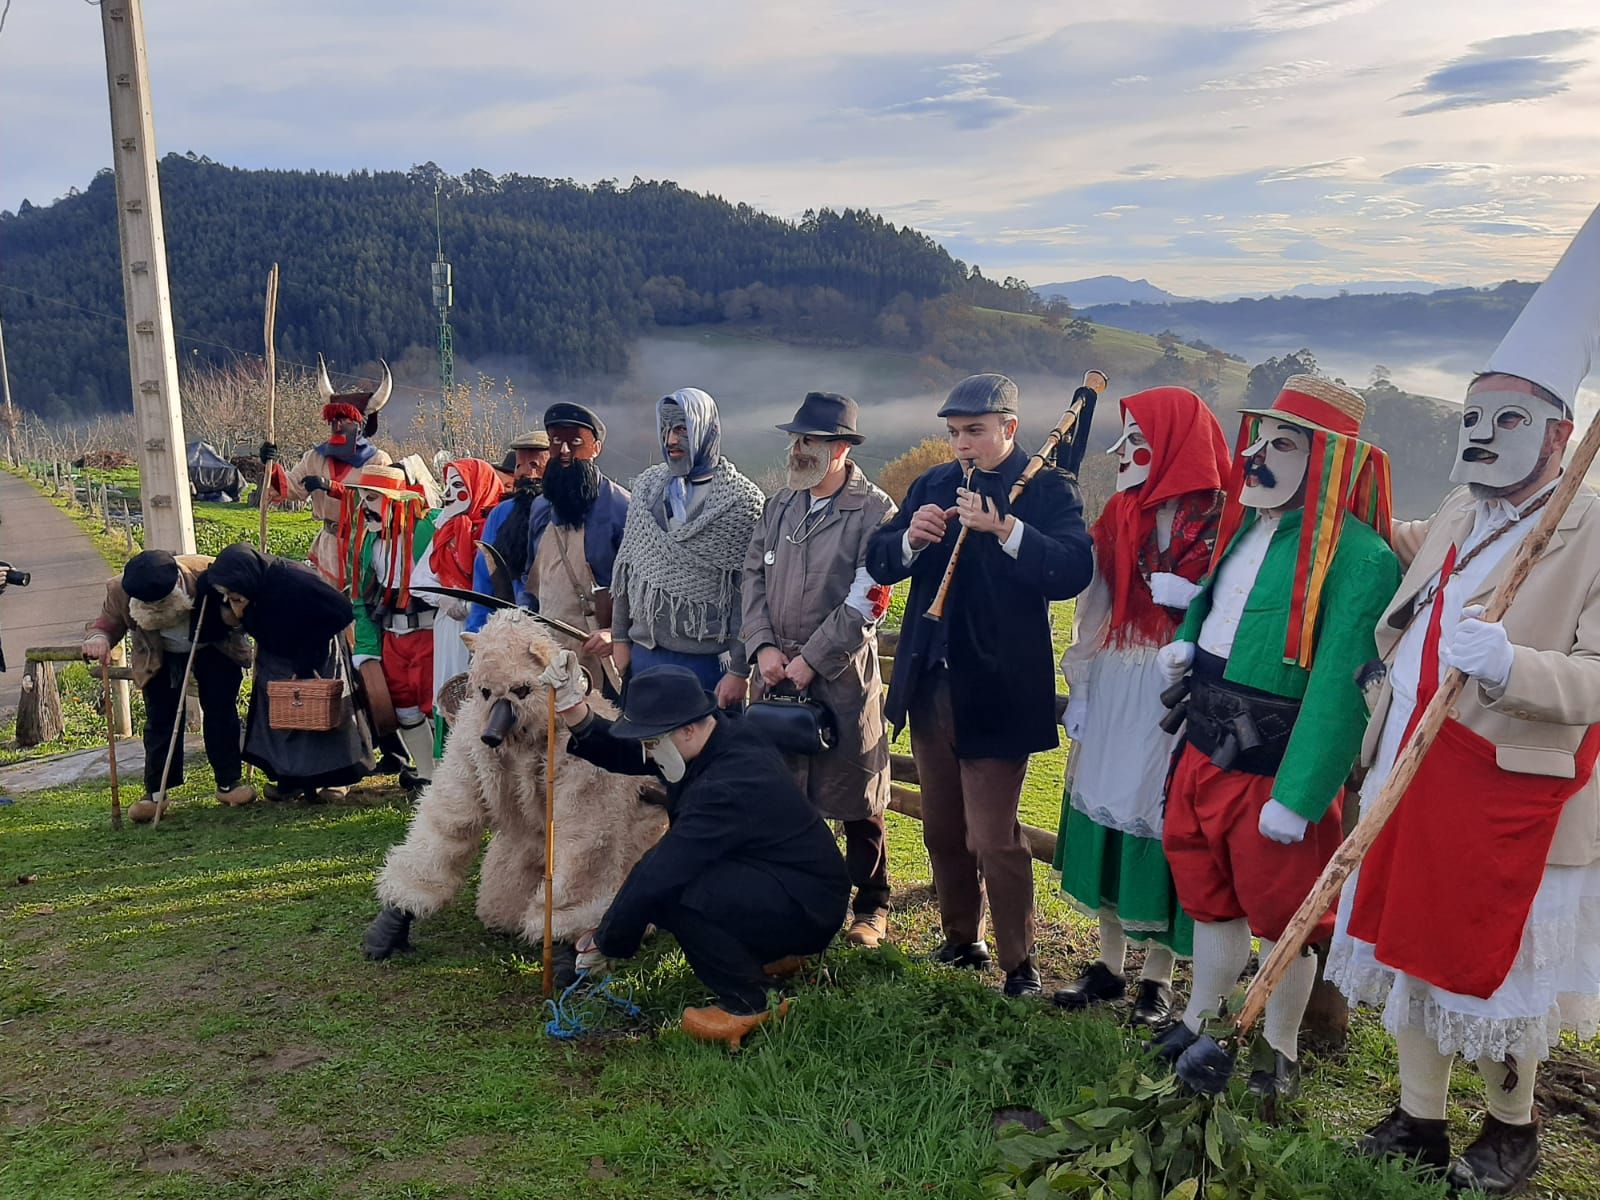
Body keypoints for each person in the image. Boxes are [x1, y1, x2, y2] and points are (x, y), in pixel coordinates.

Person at [1330, 203, 1600, 1196]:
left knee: (1497, 972)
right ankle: (1416, 1120)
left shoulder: (1591, 531)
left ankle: (1510, 1131)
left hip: (1511, 794)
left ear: (1561, 434)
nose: (1482, 435)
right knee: (1406, 950)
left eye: (1509, 420)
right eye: (1472, 418)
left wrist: (1509, 666)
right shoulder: (1459, 509)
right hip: (1408, 768)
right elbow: (1413, 555)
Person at [1154, 376, 1400, 1101]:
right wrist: (1189, 641)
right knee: (1208, 897)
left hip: (1273, 766)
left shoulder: (1361, 558)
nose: (1257, 455)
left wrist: (1298, 795)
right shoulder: (1249, 523)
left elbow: (1340, 686)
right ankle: (1202, 1021)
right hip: (1201, 745)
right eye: (1260, 438)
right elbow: (1217, 598)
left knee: (1284, 918)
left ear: (1324, 459)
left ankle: (1278, 1050)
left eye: (1282, 443)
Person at [866, 373, 1095, 997]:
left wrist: (1006, 531)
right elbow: (879, 555)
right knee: (941, 827)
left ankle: (1020, 965)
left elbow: (1074, 568)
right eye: (954, 432)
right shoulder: (935, 484)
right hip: (931, 685)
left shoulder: (1048, 489)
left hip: (996, 688)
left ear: (1010, 429)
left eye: (974, 431)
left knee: (993, 833)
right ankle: (962, 939)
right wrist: (910, 538)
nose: (961, 444)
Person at [543, 659, 851, 1048]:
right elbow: (630, 751)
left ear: (687, 729)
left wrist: (605, 942)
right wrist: (575, 707)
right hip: (785, 880)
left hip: (807, 905)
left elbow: (660, 871)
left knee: (673, 891)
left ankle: (750, 999)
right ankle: (771, 955)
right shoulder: (715, 736)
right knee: (675, 884)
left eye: (652, 740)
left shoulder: (729, 782)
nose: (647, 749)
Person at [1053, 387, 1230, 1025]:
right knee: (1108, 804)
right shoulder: (1119, 517)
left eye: (1137, 440)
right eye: (1123, 440)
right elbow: (1094, 606)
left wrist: (1198, 600)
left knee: (1163, 819)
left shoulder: (1225, 523)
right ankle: (1108, 962)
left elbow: (1245, 612)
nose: (1123, 453)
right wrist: (1085, 687)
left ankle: (1157, 976)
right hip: (1121, 681)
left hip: (1182, 689)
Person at [742, 393, 898, 947]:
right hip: (774, 674)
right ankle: (794, 891)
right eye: (794, 438)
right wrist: (762, 647)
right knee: (783, 793)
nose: (796, 448)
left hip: (842, 678)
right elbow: (751, 579)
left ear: (839, 448)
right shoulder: (779, 504)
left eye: (807, 439)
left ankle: (872, 906)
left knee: (858, 795)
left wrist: (812, 659)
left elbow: (870, 598)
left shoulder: (876, 511)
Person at [609, 389, 763, 706]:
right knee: (644, 753)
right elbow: (627, 571)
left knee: (707, 753)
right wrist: (621, 638)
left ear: (706, 429)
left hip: (706, 664)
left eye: (682, 429)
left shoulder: (742, 503)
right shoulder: (647, 490)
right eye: (665, 429)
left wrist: (738, 669)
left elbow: (746, 594)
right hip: (646, 655)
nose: (670, 441)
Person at [83, 550, 255, 823]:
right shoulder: (120, 589)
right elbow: (107, 622)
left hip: (215, 646)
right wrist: (99, 637)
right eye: (147, 605)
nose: (155, 610)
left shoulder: (208, 571)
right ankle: (156, 792)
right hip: (158, 653)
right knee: (160, 719)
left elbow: (247, 601)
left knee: (220, 710)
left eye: (161, 602)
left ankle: (228, 783)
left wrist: (235, 613)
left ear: (176, 582)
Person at [197, 543, 376, 800]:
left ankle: (336, 781)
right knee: (283, 718)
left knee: (323, 714)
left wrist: (306, 659)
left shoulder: (293, 580)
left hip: (316, 652)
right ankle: (289, 780)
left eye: (236, 597)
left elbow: (341, 611)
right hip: (276, 656)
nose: (232, 602)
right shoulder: (230, 583)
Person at [501, 405, 630, 690]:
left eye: (575, 443)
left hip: (604, 658)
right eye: (556, 442)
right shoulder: (540, 508)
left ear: (595, 448)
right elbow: (531, 579)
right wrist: (522, 615)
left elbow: (640, 587)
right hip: (546, 654)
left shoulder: (623, 509)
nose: (565, 452)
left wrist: (617, 634)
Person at [348, 461, 442, 792]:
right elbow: (359, 598)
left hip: (430, 635)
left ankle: (447, 779)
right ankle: (427, 774)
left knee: (437, 706)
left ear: (395, 500)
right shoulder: (366, 543)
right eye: (362, 498)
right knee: (403, 707)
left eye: (372, 499)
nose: (364, 507)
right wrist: (366, 648)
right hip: (392, 638)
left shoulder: (428, 528)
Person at [261, 356, 394, 589]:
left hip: (364, 545)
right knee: (327, 609)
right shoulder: (315, 457)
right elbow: (290, 487)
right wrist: (270, 465)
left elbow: (380, 504)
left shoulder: (377, 460)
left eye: (345, 420)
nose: (337, 426)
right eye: (333, 420)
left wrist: (331, 487)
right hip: (329, 545)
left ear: (361, 424)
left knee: (361, 610)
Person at [411, 457, 504, 757]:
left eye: (458, 486)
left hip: (487, 626)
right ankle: (448, 765)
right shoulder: (446, 531)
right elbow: (419, 579)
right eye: (447, 486)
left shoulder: (495, 530)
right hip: (449, 626)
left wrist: (471, 602)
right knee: (449, 691)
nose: (449, 494)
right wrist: (443, 597)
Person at [469, 430, 549, 613]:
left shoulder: (566, 512)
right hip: (509, 618)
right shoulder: (501, 513)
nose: (526, 473)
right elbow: (485, 573)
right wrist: (478, 628)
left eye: (534, 464)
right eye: (519, 465)